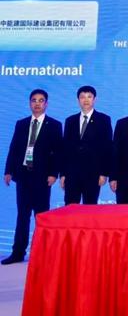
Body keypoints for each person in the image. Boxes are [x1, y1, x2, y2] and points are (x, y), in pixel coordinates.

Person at [2, 89, 62, 265]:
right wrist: (8, 171)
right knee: (22, 215)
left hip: (42, 177)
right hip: (23, 176)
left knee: (41, 217)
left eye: (41, 100)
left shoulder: (54, 125)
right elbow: (14, 148)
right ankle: (17, 253)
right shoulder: (21, 124)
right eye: (34, 100)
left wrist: (54, 173)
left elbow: (58, 152)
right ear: (30, 103)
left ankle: (42, 254)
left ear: (46, 104)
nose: (37, 103)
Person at [61, 86, 112, 204]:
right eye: (82, 97)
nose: (86, 100)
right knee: (70, 208)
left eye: (89, 97)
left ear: (95, 99)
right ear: (78, 100)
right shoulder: (70, 120)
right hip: (72, 174)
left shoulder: (104, 119)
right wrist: (63, 174)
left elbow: (108, 148)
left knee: (90, 208)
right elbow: (65, 149)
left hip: (93, 173)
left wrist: (104, 173)